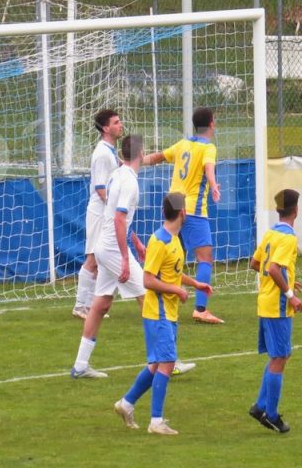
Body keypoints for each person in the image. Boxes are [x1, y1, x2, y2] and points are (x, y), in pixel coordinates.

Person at [113, 192, 212, 436]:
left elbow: (173, 273)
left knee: (158, 364)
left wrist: (194, 284)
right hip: (158, 312)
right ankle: (156, 421)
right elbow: (148, 280)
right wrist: (176, 290)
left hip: (168, 312)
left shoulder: (175, 240)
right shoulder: (159, 241)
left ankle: (125, 404)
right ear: (182, 213)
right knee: (167, 364)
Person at [69, 134, 148, 379]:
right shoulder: (130, 182)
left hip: (105, 246)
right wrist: (126, 257)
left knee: (101, 304)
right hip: (113, 248)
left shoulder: (118, 174)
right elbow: (119, 218)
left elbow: (119, 215)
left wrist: (135, 241)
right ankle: (167, 359)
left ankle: (80, 365)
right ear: (140, 153)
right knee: (149, 298)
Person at [143, 107, 223, 324]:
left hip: (173, 205)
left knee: (173, 255)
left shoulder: (183, 144)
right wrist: (214, 185)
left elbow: (159, 157)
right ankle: (200, 309)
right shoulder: (208, 147)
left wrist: (136, 162)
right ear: (212, 124)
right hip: (193, 211)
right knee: (205, 258)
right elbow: (208, 168)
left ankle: (162, 295)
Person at [248, 189, 302, 433]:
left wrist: (288, 279)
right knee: (280, 357)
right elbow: (272, 268)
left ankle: (260, 406)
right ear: (296, 210)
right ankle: (270, 414)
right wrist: (290, 295)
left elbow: (255, 263)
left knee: (279, 356)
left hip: (265, 302)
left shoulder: (271, 233)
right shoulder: (288, 238)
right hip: (277, 306)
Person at [72, 109, 123, 319]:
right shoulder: (102, 153)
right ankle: (80, 306)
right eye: (116, 122)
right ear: (105, 128)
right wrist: (114, 208)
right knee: (92, 258)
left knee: (101, 258)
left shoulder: (110, 150)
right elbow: (101, 188)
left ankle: (92, 304)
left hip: (105, 211)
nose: (121, 125)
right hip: (99, 211)